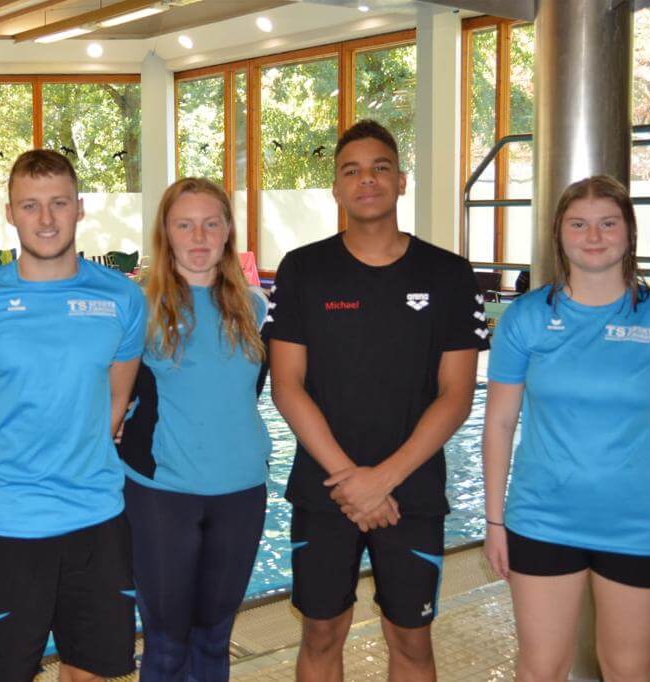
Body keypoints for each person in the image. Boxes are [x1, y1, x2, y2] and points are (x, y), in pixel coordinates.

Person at [266, 119, 488, 681]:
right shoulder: (303, 269)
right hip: (325, 490)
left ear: (401, 181)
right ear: (336, 189)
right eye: (352, 171)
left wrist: (382, 480)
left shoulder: (449, 274)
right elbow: (286, 385)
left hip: (411, 492)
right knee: (321, 633)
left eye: (380, 168)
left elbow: (457, 395)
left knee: (411, 640)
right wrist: (351, 480)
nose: (367, 180)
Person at [0, 149, 145, 681]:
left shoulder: (122, 298)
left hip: (98, 521)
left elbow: (116, 401)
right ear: (11, 213)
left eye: (58, 203)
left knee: (92, 674)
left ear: (80, 207)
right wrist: (5, 473)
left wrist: (81, 459)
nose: (46, 219)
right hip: (8, 527)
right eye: (30, 205)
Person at [482, 175, 650, 681]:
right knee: (541, 668)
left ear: (629, 232)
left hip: (640, 523)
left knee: (628, 668)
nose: (593, 236)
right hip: (542, 517)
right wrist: (494, 523)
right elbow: (500, 424)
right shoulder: (526, 318)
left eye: (607, 223)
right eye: (579, 224)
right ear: (559, 232)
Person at [117, 178, 271, 680]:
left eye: (210, 224)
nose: (199, 237)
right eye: (185, 225)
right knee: (166, 645)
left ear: (228, 231)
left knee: (214, 639)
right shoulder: (137, 308)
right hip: (162, 493)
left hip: (241, 490)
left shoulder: (256, 307)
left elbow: (247, 393)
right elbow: (105, 389)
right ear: (166, 233)